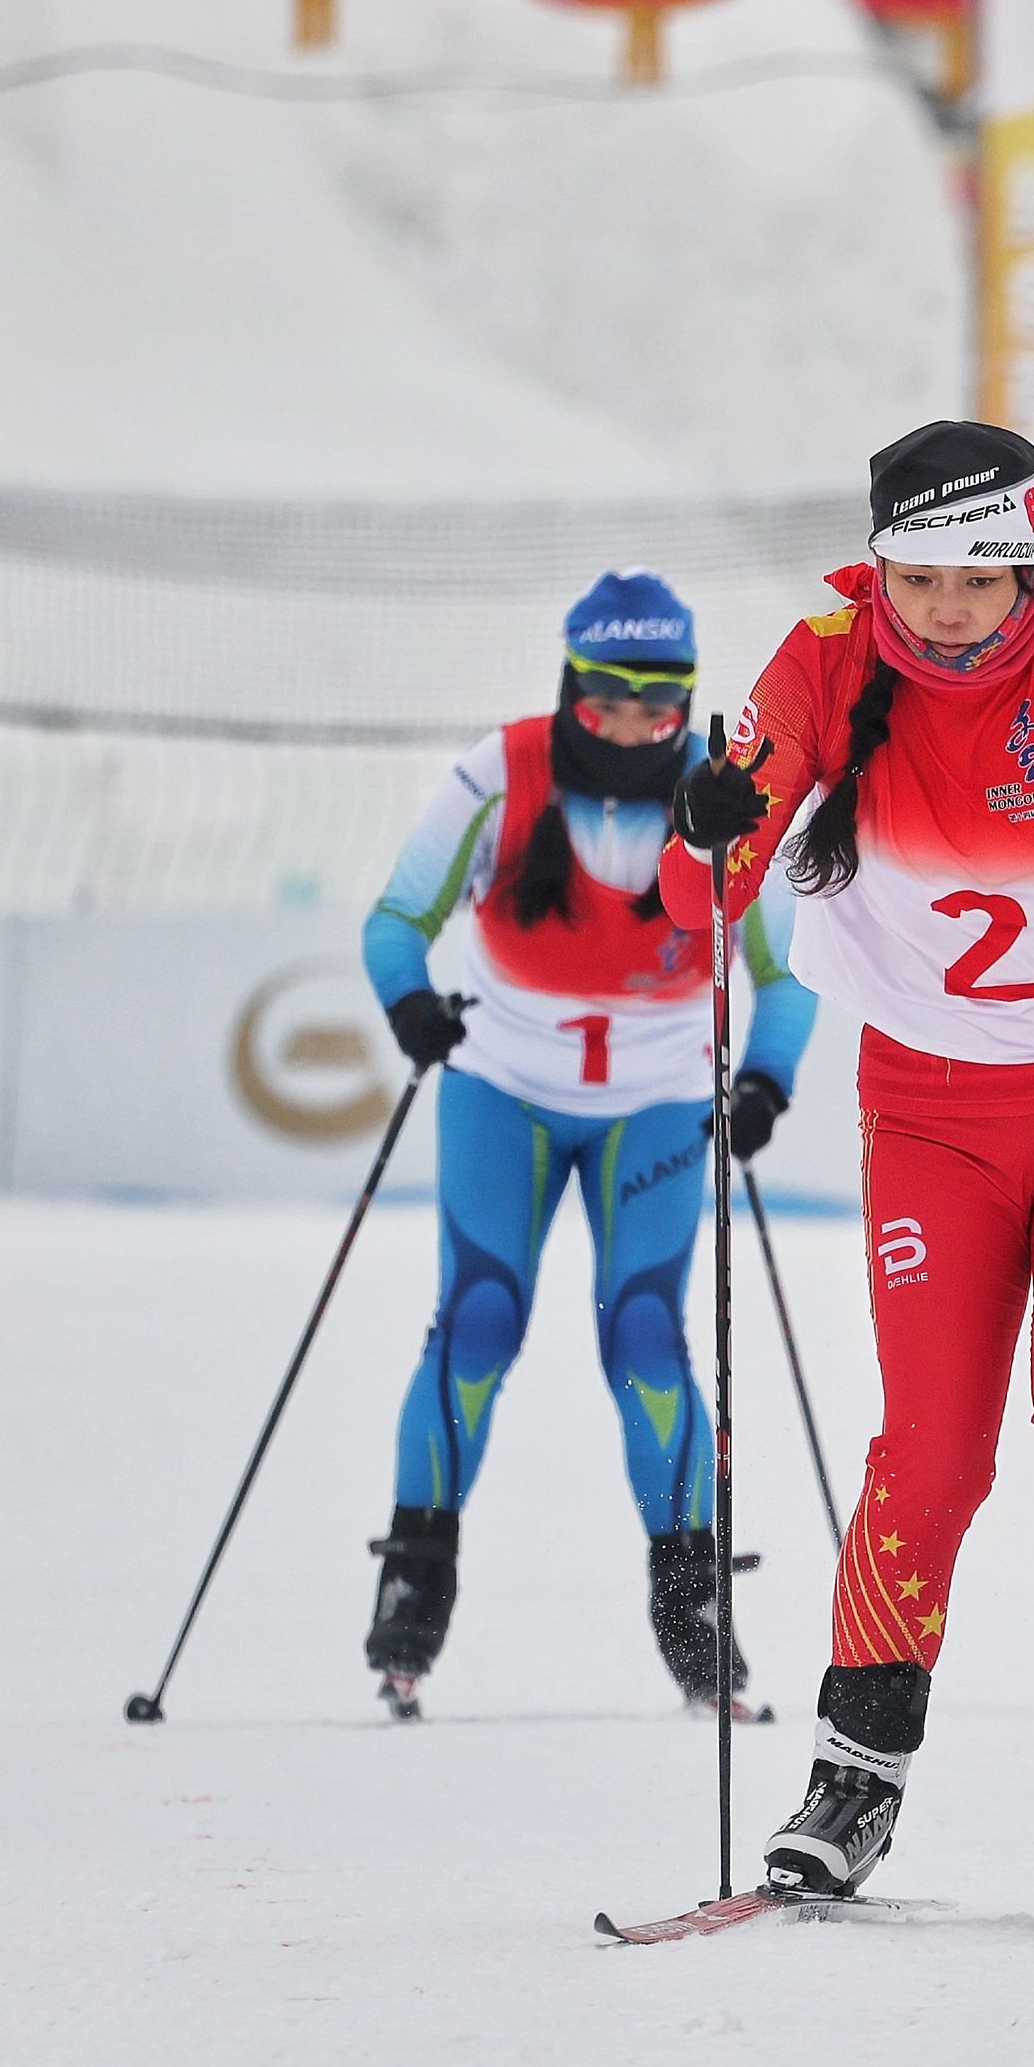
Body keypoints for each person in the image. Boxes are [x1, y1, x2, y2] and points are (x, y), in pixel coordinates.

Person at [659, 422, 1034, 1906]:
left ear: (1028, 566)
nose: (941, 607)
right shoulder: (820, 658)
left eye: (976, 578)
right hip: (929, 1112)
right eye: (915, 573)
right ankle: (852, 1780)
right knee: (927, 1448)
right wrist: (708, 827)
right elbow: (702, 898)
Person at [362, 570, 815, 1718]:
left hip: (657, 1104)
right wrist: (410, 1003)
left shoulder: (724, 799)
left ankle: (691, 1607)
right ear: (571, 686)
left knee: (648, 1337)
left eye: (659, 705)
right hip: (501, 1090)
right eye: (608, 699)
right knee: (477, 1322)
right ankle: (414, 1583)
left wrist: (764, 1079)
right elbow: (395, 921)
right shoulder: (496, 774)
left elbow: (784, 974)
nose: (631, 725)